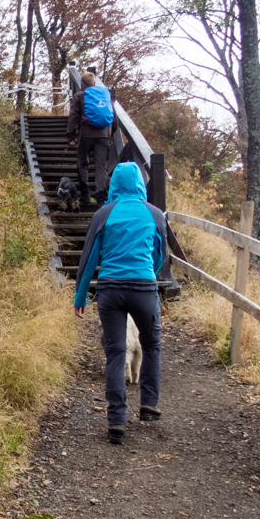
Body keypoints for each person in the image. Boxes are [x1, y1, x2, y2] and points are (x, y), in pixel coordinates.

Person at [72, 161, 166, 445]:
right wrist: (147, 273)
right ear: (139, 182)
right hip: (143, 288)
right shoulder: (154, 213)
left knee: (115, 353)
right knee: (151, 345)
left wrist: (81, 297)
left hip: (110, 290)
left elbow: (88, 258)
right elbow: (160, 255)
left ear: (113, 185)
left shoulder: (103, 214)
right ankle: (149, 404)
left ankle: (116, 422)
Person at [66, 71, 114, 205]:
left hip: (85, 135)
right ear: (94, 83)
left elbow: (73, 117)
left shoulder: (79, 96)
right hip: (103, 136)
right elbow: (113, 116)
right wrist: (110, 133)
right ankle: (100, 198)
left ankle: (85, 194)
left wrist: (70, 135)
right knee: (101, 167)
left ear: (82, 83)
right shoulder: (104, 95)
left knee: (82, 163)